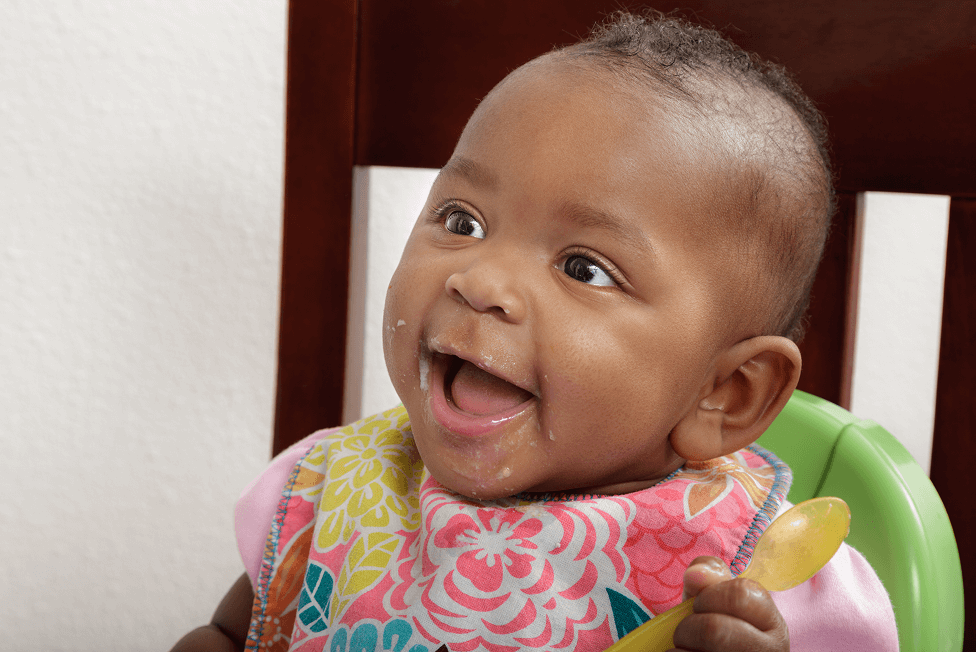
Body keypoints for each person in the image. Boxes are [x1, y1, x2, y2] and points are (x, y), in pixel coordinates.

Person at [172, 11, 898, 652]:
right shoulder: (333, 491)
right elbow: (236, 633)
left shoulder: (766, 575)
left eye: (584, 268)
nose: (481, 281)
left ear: (726, 394)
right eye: (462, 223)